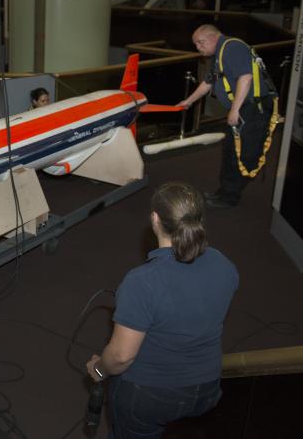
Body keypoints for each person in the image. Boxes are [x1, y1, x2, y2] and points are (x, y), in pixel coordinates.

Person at [86, 182, 239, 439]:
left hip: (150, 396)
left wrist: (99, 370)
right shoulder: (224, 264)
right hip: (207, 389)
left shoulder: (142, 282)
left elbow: (121, 357)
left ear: (155, 219)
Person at [178, 24, 275, 208]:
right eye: (196, 44)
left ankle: (229, 196)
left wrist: (235, 110)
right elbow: (208, 82)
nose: (198, 48)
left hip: (251, 110)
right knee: (230, 150)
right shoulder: (220, 54)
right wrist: (189, 101)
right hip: (244, 109)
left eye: (200, 42)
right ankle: (225, 193)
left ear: (214, 37)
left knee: (243, 153)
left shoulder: (232, 47)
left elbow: (245, 78)